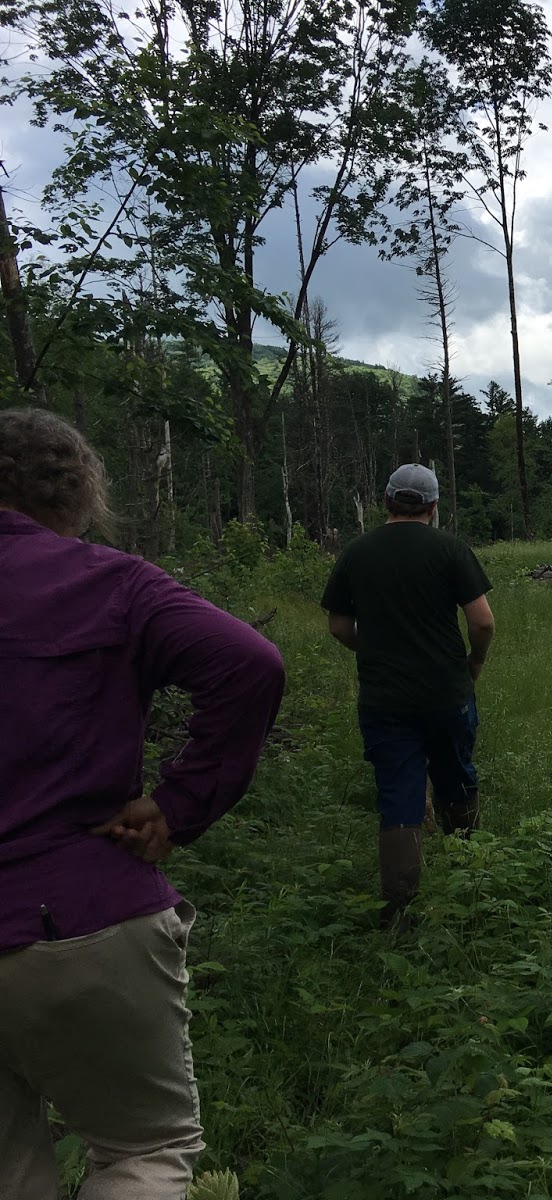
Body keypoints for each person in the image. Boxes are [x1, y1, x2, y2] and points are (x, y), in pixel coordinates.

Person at [0, 407, 286, 1200]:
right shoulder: (109, 582)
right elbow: (249, 662)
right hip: (79, 915)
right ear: (78, 489)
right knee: (142, 1151)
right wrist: (177, 802)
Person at [320, 463, 494, 928]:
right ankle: (469, 880)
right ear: (434, 508)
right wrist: (474, 662)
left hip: (385, 699)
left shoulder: (358, 553)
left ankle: (399, 912)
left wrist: (376, 650)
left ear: (386, 501)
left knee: (399, 796)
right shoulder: (451, 550)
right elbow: (482, 621)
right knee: (456, 777)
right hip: (446, 691)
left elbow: (338, 625)